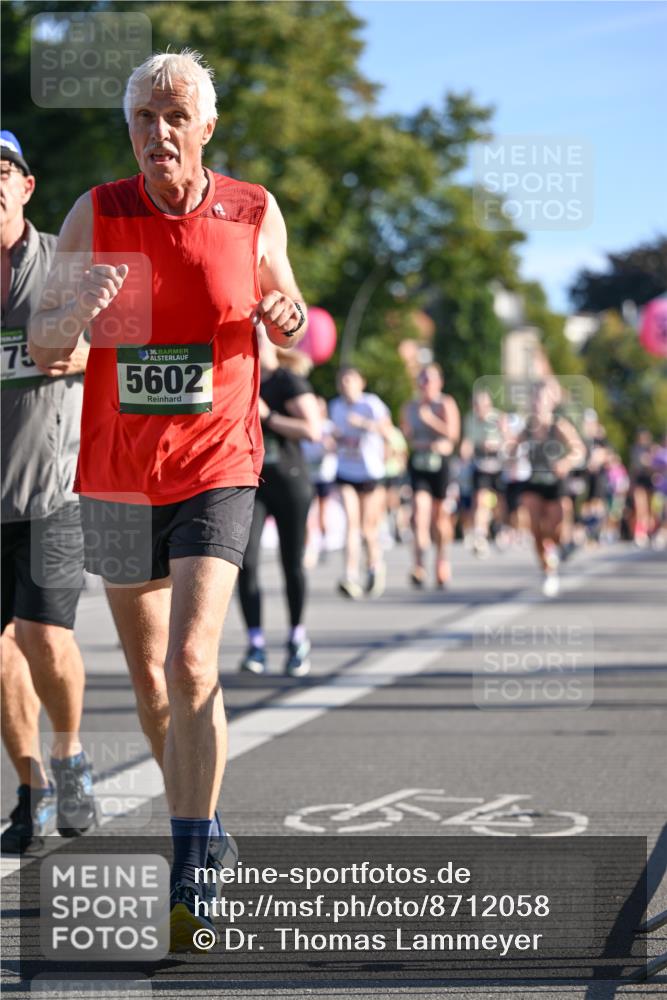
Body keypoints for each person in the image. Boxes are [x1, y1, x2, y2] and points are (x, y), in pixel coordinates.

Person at [29, 51, 307, 950]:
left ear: (207, 127)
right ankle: (209, 821)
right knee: (149, 680)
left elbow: (286, 304)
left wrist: (286, 319)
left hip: (218, 461)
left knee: (192, 663)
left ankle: (190, 860)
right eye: (144, 119)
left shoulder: (252, 209)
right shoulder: (97, 212)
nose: (158, 133)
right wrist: (77, 311)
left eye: (175, 116)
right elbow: (42, 346)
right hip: (115, 471)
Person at [1, 131, 95, 854]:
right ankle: (31, 790)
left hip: (51, 492)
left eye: (5, 172)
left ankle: (68, 753)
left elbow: (118, 343)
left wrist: (70, 344)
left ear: (26, 187)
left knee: (42, 638)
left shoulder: (63, 261)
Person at [237, 338, 321, 677]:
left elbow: (312, 430)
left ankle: (296, 639)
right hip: (251, 483)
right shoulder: (240, 376)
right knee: (247, 562)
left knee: (292, 564)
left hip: (290, 482)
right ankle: (255, 643)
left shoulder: (288, 381)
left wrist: (269, 418)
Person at [513, 381, 586, 597]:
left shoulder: (559, 426)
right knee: (534, 528)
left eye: (542, 399)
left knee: (555, 531)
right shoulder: (527, 428)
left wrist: (566, 462)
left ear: (551, 403)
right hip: (534, 482)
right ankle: (548, 571)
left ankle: (558, 548)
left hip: (555, 483)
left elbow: (579, 450)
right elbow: (511, 447)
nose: (537, 403)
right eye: (534, 398)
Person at [330, 366, 393, 599]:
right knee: (351, 524)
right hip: (346, 470)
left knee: (368, 528)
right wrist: (335, 438)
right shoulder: (335, 406)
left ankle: (375, 566)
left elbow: (388, 432)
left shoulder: (371, 404)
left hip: (370, 472)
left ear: (361, 383)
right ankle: (350, 575)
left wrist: (364, 424)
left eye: (350, 380)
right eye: (342, 380)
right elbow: (335, 437)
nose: (345, 384)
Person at [401, 363, 460, 588]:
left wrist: (430, 420)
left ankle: (441, 561)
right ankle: (419, 565)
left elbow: (452, 435)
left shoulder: (445, 403)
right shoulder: (410, 406)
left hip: (441, 466)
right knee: (419, 512)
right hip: (419, 464)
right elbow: (406, 434)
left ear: (439, 383)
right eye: (422, 379)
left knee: (440, 520)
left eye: (430, 380)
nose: (425, 384)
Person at [463, 387, 506, 557]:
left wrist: (496, 444)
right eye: (477, 406)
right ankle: (480, 535)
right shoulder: (471, 419)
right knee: (480, 499)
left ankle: (499, 527)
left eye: (483, 406)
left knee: (498, 502)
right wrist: (465, 450)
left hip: (497, 464)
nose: (480, 410)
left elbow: (509, 439)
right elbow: (468, 440)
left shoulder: (498, 418)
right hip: (480, 464)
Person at [302, 396, 338, 565]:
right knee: (309, 513)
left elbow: (336, 445)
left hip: (324, 475)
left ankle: (324, 543)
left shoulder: (329, 426)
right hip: (308, 475)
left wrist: (329, 445)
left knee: (323, 513)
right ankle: (310, 548)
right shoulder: (305, 424)